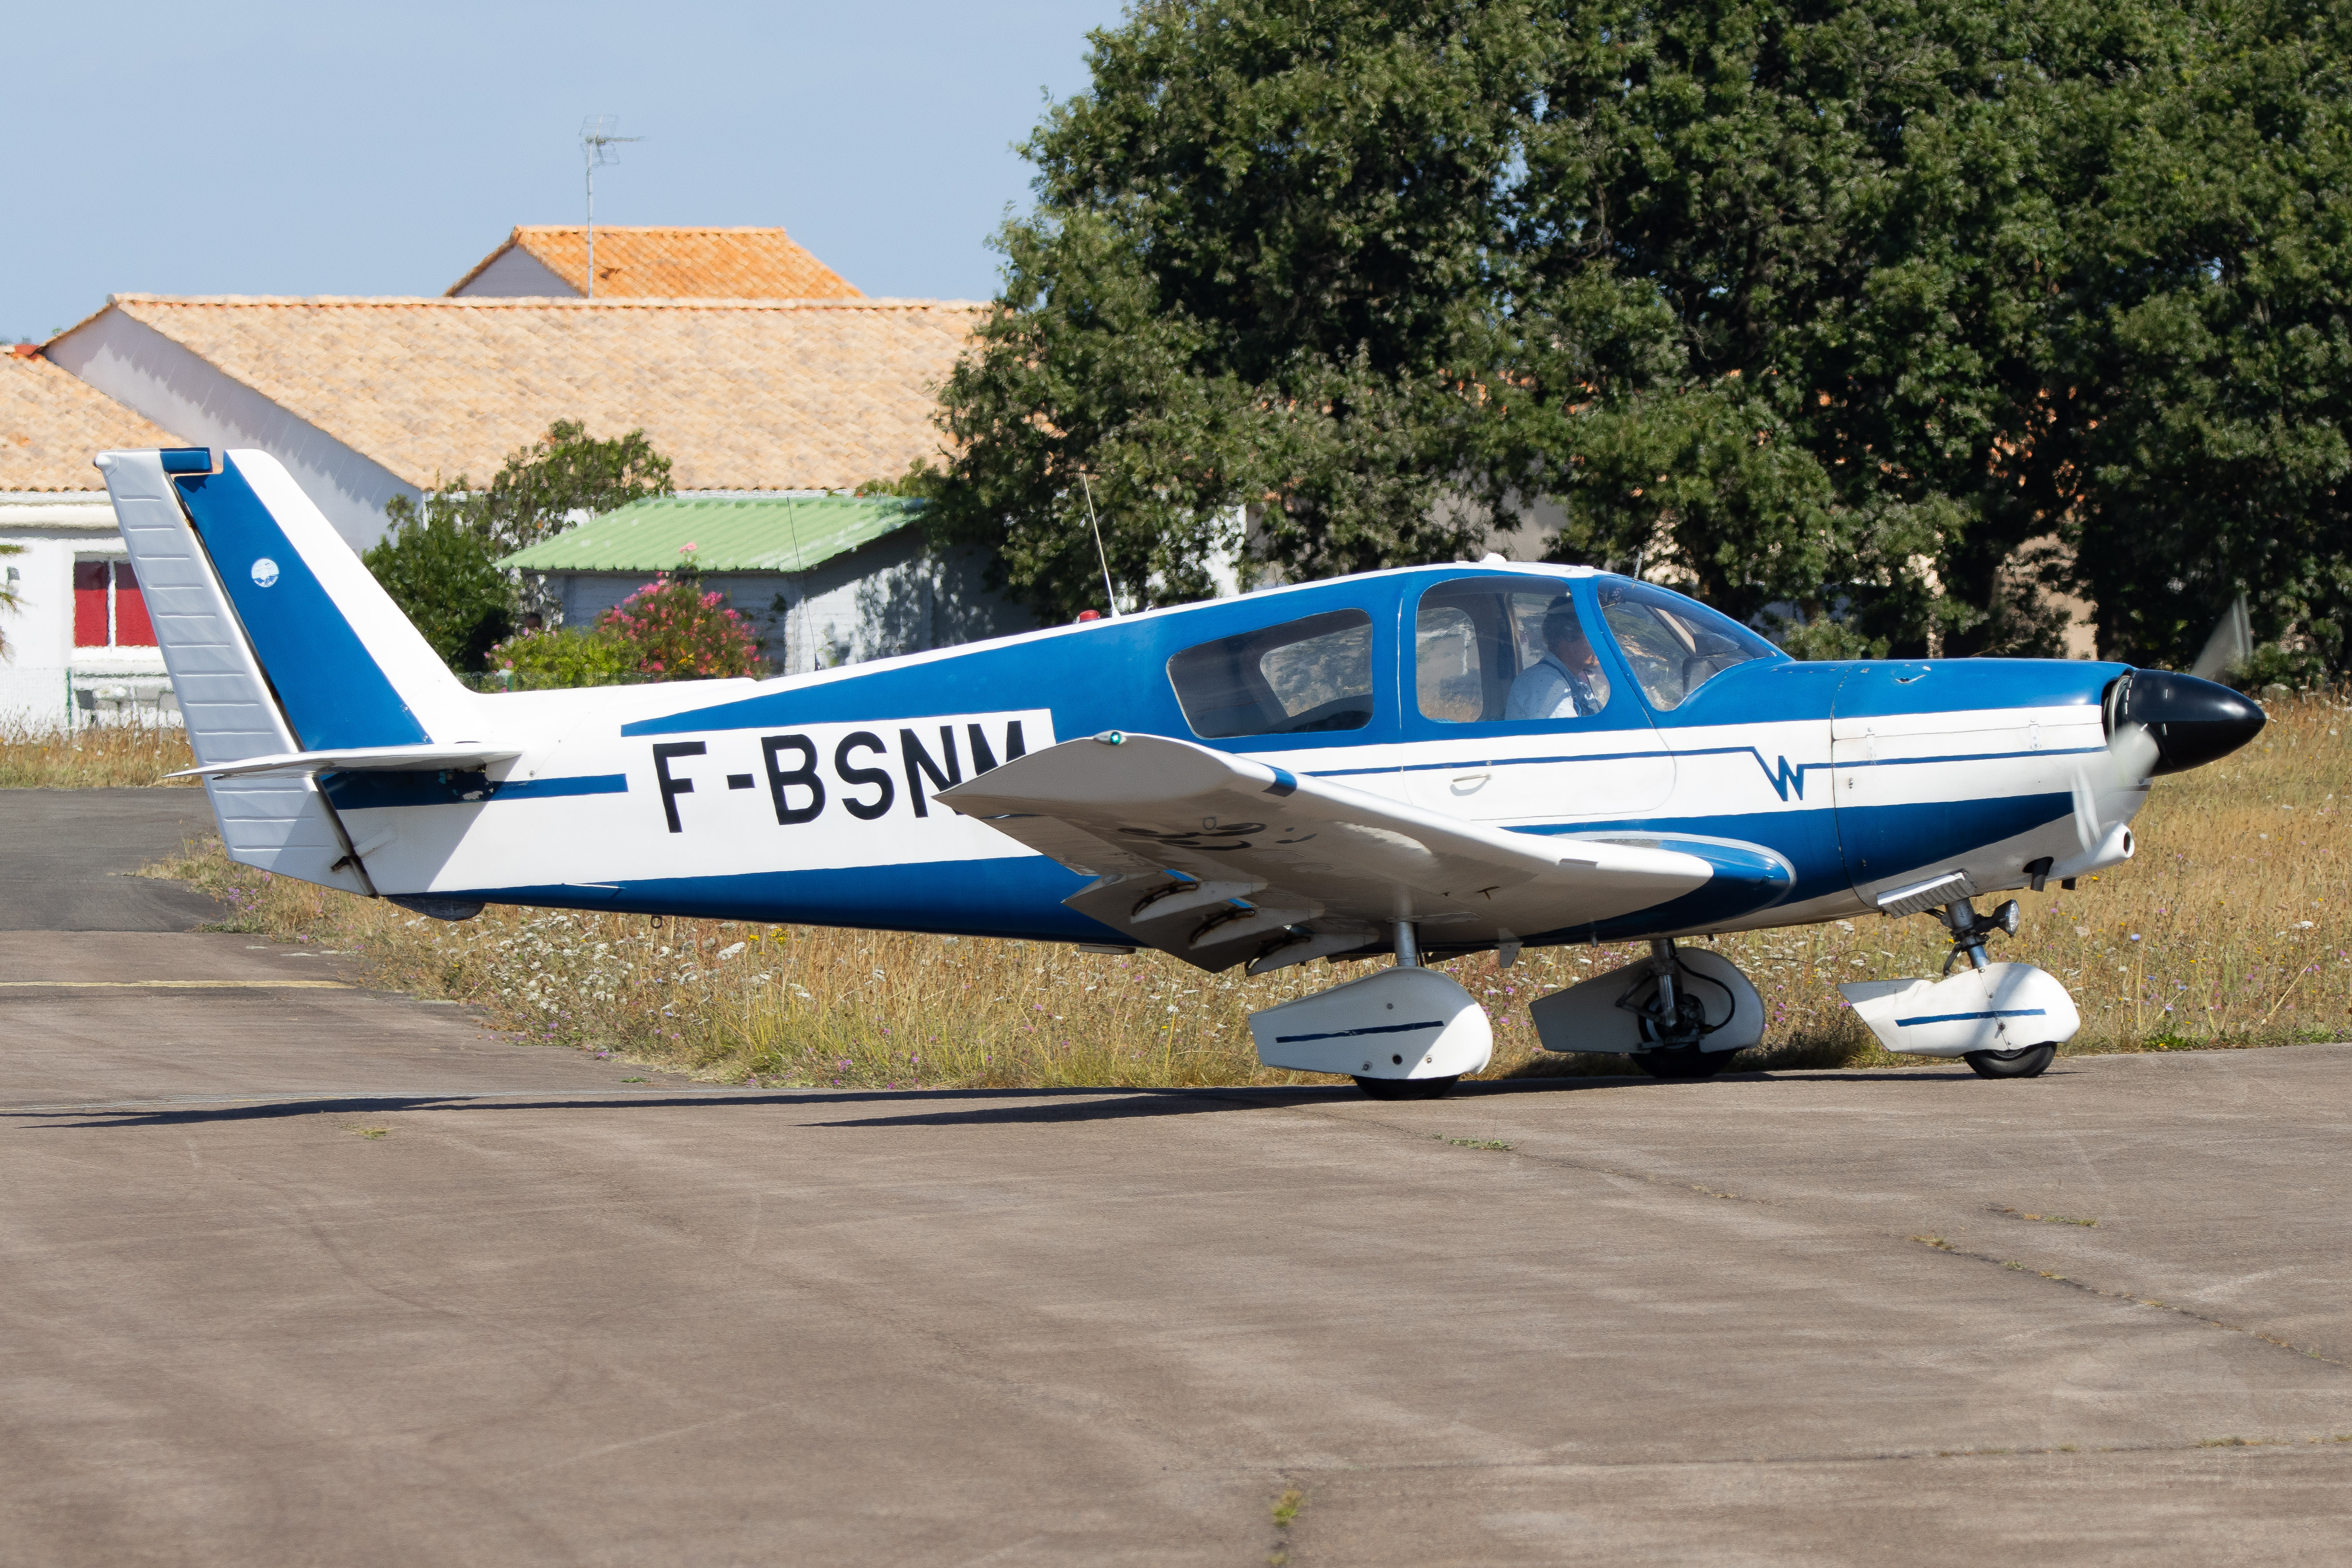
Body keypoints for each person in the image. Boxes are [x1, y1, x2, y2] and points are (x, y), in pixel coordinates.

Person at [1505, 597, 1608, 720]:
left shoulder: (1575, 682)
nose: (1601, 643)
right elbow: (1573, 736)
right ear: (1568, 635)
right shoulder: (1545, 681)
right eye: (1592, 634)